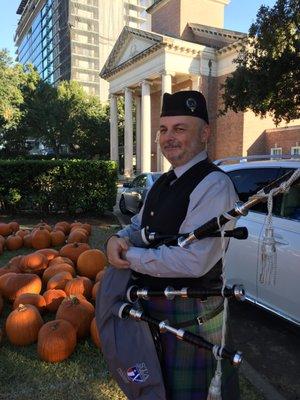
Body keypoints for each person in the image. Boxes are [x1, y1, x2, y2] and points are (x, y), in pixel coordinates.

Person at [104, 90, 240, 400]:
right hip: (154, 308)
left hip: (193, 316)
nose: (169, 137)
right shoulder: (163, 182)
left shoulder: (214, 185)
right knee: (159, 390)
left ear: (204, 133)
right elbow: (140, 226)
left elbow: (193, 261)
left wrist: (130, 256)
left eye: (180, 128)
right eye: (163, 129)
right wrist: (117, 239)